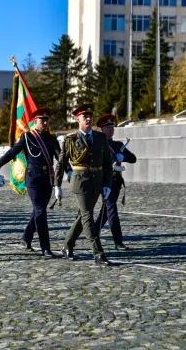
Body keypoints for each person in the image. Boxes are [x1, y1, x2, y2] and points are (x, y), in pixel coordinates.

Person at [0, 108, 60, 257]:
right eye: (41, 120)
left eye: (46, 120)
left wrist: (69, 171)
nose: (44, 123)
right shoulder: (28, 137)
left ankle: (26, 236)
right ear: (35, 122)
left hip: (47, 179)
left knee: (38, 210)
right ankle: (45, 248)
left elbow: (59, 157)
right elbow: (12, 152)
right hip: (33, 179)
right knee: (40, 211)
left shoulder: (51, 139)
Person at [55, 103, 113, 266]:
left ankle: (68, 244)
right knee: (88, 216)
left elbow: (108, 163)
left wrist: (107, 183)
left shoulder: (100, 138)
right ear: (78, 119)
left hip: (97, 180)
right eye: (84, 117)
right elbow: (61, 163)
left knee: (83, 216)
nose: (88, 119)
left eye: (90, 116)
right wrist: (57, 186)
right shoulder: (71, 139)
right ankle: (98, 253)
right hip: (80, 181)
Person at [95, 114, 137, 250]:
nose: (110, 129)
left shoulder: (118, 145)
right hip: (103, 181)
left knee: (106, 212)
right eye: (107, 127)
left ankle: (93, 233)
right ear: (102, 129)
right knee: (112, 208)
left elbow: (133, 158)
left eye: (112, 126)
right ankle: (118, 241)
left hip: (116, 181)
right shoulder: (98, 145)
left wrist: (122, 156)